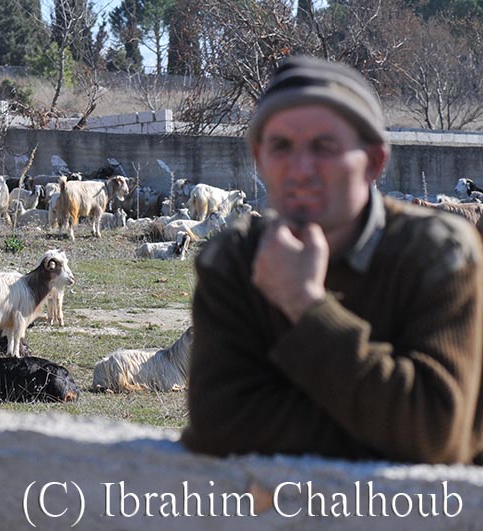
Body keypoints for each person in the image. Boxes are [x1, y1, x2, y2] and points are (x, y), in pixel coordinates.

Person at [181, 55, 483, 464]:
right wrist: (386, 424)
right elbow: (220, 424)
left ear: (374, 161)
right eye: (281, 146)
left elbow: (435, 431)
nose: (301, 170)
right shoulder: (233, 260)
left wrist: (304, 306)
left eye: (325, 147)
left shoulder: (439, 254)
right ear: (258, 158)